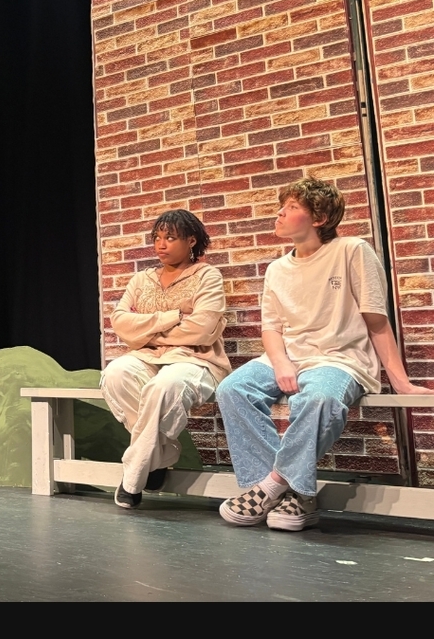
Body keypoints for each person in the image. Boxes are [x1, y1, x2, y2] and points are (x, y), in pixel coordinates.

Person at [216, 177, 432, 531]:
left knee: (319, 397)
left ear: (319, 217)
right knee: (232, 389)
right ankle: (293, 495)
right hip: (288, 356)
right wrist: (282, 362)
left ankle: (272, 486)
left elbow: (377, 322)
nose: (280, 213)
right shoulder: (276, 269)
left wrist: (401, 382)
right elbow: (271, 328)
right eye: (282, 206)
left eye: (292, 207)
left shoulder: (352, 250)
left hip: (339, 360)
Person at [101, 209, 231, 509]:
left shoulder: (206, 276)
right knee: (115, 373)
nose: (161, 245)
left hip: (196, 361)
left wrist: (145, 330)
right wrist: (170, 318)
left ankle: (134, 475)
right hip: (147, 356)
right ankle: (157, 458)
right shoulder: (141, 279)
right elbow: (121, 322)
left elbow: (203, 330)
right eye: (157, 238)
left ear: (191, 241)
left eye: (170, 238)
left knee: (164, 386)